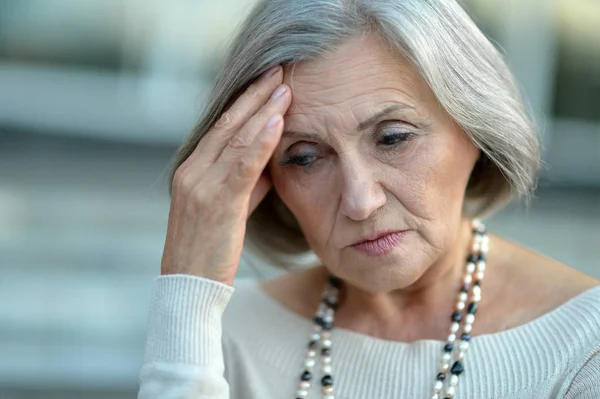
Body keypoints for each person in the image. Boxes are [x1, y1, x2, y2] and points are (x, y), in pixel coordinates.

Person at [137, 0, 600, 398]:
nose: (360, 201)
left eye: (393, 138)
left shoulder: (583, 346)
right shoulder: (221, 333)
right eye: (304, 158)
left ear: (475, 128)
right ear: (262, 178)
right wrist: (189, 282)